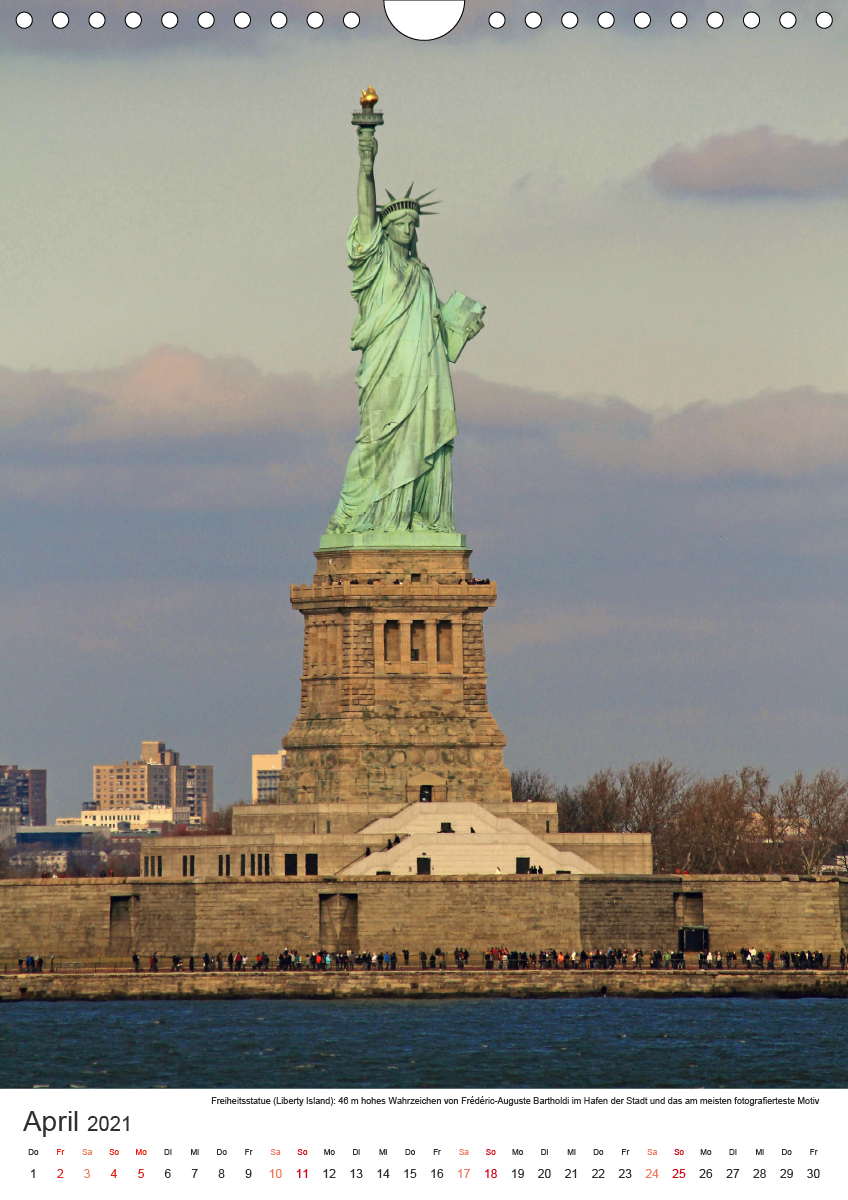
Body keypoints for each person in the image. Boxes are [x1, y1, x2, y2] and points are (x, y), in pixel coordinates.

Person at [325, 118, 483, 538]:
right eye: (401, 224)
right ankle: (356, 515)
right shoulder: (375, 262)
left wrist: (461, 328)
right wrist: (367, 162)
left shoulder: (422, 273)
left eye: (414, 225)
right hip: (387, 367)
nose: (409, 230)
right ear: (386, 229)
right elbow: (365, 211)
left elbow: (438, 330)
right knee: (376, 439)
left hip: (426, 372)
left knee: (423, 436)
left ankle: (416, 515)